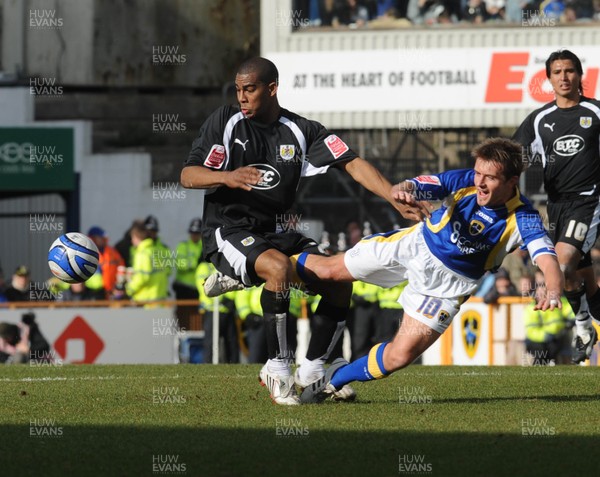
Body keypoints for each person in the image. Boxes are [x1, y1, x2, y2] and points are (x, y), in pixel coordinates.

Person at [180, 57, 416, 405]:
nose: (242, 97)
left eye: (250, 89)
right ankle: (276, 369)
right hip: (228, 229)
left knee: (339, 279)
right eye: (238, 89)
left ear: (272, 89)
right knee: (276, 267)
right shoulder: (225, 121)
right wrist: (227, 177)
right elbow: (188, 175)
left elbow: (351, 162)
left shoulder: (300, 131)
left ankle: (314, 369)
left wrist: (393, 195)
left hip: (277, 230)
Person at [287, 137, 564, 403]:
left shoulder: (524, 216)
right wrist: (404, 188)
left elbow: (546, 257)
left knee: (399, 356)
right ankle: (266, 261)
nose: (479, 181)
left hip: (447, 286)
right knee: (329, 271)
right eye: (478, 172)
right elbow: (425, 184)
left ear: (512, 182)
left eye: (489, 177)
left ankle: (333, 381)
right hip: (415, 245)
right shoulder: (465, 180)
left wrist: (552, 287)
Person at [513, 49, 600, 363]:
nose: (564, 77)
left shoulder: (595, 112)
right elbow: (516, 158)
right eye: (557, 72)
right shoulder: (539, 120)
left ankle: (580, 325)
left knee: (559, 264)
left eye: (570, 71)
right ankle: (586, 325)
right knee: (580, 280)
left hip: (589, 202)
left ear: (579, 75)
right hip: (556, 207)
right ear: (548, 78)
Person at [125, 222, 170, 304]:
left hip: (145, 300)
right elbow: (168, 271)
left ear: (137, 237)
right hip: (160, 297)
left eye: (133, 237)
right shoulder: (158, 250)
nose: (132, 241)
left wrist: (129, 289)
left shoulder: (142, 253)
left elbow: (142, 277)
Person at [173, 218, 204, 331]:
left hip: (198, 290)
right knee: (183, 320)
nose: (194, 235)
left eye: (197, 233)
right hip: (184, 289)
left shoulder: (204, 247)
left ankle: (195, 343)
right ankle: (183, 342)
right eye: (193, 233)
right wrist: (195, 262)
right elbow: (180, 264)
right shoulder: (183, 246)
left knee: (198, 320)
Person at [86, 226, 125, 300]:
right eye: (100, 238)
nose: (103, 240)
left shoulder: (112, 252)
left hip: (113, 292)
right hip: (94, 293)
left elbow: (121, 267)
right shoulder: (86, 254)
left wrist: (119, 286)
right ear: (93, 239)